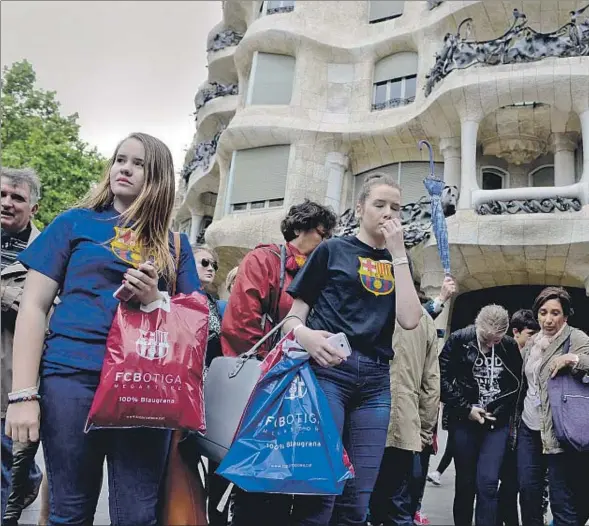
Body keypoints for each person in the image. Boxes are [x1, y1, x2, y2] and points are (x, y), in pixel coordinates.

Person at [4, 133, 202, 525]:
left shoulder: (175, 244)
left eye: (139, 163)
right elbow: (33, 305)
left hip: (146, 388)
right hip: (71, 379)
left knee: (136, 515)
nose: (124, 168)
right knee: (68, 512)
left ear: (159, 175)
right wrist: (23, 395)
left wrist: (154, 300)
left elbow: (196, 321)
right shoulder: (74, 223)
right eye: (120, 159)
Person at [282, 173, 422, 525]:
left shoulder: (397, 262)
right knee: (322, 492)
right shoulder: (332, 250)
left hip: (376, 381)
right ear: (360, 209)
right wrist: (307, 337)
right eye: (379, 204)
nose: (388, 213)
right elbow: (292, 318)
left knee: (358, 501)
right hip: (329, 372)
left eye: (396, 207)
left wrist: (400, 254)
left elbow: (409, 319)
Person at [222, 199, 337, 526]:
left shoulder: (325, 268)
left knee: (301, 481)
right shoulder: (264, 260)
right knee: (261, 479)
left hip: (313, 387)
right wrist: (272, 368)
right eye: (321, 232)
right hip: (270, 382)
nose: (326, 240)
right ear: (300, 227)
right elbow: (241, 323)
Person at [440, 304, 522, 526]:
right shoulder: (459, 339)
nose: (489, 344)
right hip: (464, 420)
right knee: (465, 484)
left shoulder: (508, 345)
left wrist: (500, 411)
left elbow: (517, 384)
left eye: (495, 340)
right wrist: (466, 409)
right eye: (486, 338)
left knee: (487, 483)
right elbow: (441, 378)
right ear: (477, 325)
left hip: (496, 421)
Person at [514, 287, 589, 526]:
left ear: (565, 316)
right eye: (543, 312)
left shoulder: (575, 338)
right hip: (529, 427)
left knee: (561, 498)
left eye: (555, 313)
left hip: (560, 430)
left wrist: (572, 359)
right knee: (528, 491)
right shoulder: (531, 343)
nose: (548, 319)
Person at [369, 284, 440, 526]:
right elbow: (431, 383)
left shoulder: (364, 305)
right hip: (405, 427)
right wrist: (425, 431)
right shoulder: (425, 319)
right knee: (399, 508)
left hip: (364, 425)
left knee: (357, 506)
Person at [1, 168, 44, 522]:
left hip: (12, 386)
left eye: (17, 197)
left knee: (5, 478)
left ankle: (25, 480)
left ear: (33, 207)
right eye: (2, 194)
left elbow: (51, 311)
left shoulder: (48, 252)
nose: (7, 203)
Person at [497, 309, 541, 526]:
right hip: (505, 432)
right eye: (530, 334)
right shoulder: (506, 356)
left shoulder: (534, 358)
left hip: (523, 433)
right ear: (516, 332)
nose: (534, 339)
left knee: (522, 485)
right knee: (508, 485)